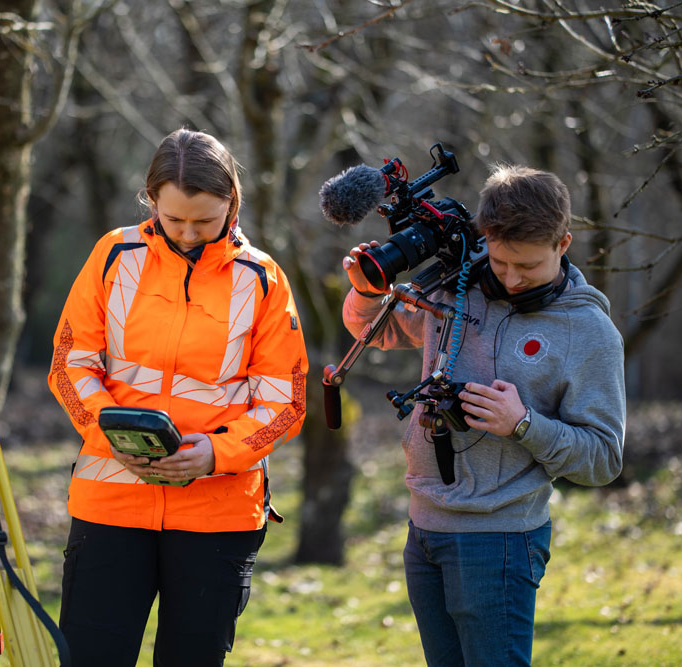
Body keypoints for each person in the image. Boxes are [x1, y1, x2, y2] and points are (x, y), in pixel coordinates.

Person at [341, 164, 625, 666]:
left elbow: (603, 460)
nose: (512, 279)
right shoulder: (460, 283)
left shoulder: (590, 332)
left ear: (564, 244)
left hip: (500, 541)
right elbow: (378, 331)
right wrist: (365, 288)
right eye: (500, 262)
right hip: (424, 530)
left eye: (529, 267)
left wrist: (524, 425)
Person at [48, 128, 307, 666]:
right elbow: (69, 363)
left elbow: (285, 402)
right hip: (111, 502)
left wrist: (215, 453)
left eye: (205, 221)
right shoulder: (113, 254)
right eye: (173, 219)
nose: (188, 234)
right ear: (151, 201)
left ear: (232, 203)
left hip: (218, 514)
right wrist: (110, 435)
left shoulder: (264, 280)